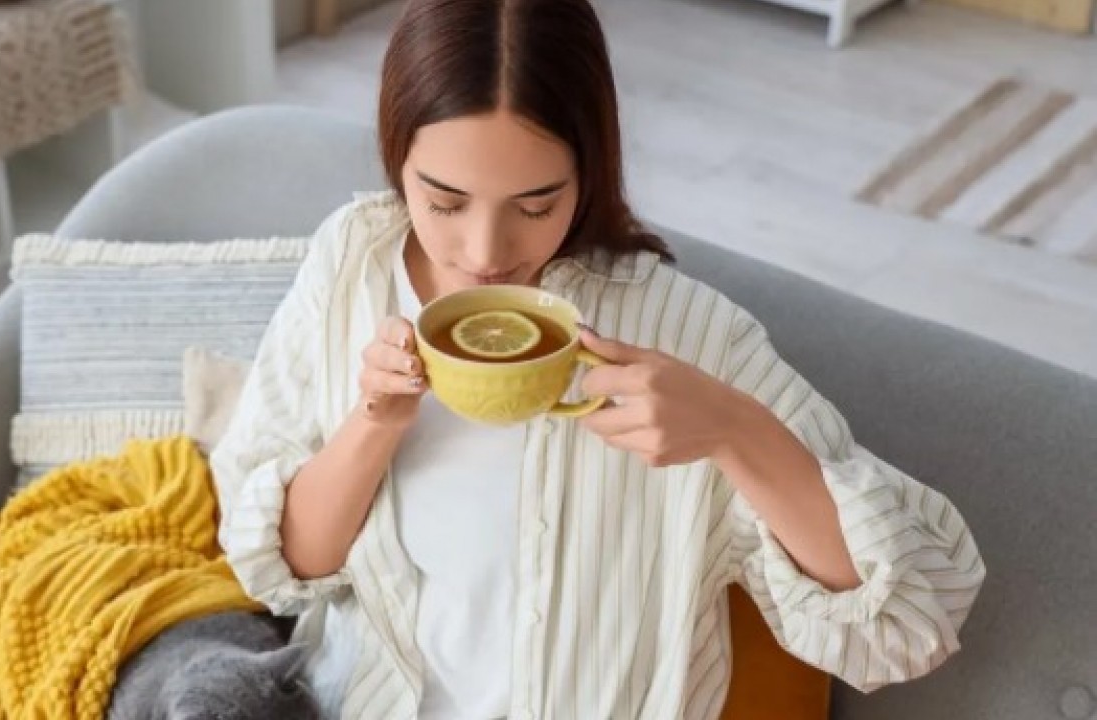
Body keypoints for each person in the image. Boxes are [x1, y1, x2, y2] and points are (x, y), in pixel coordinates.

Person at [209, 0, 986, 718]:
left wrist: (735, 431)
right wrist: (374, 423)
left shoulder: (683, 335)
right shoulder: (352, 263)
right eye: (444, 201)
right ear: (395, 158)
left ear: (591, 171)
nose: (485, 254)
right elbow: (281, 569)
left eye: (536, 205)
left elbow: (914, 613)